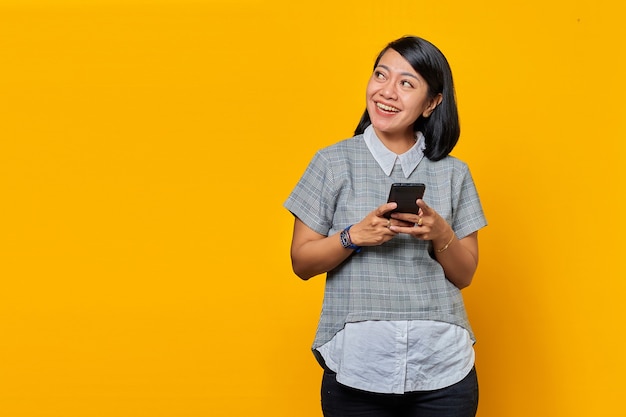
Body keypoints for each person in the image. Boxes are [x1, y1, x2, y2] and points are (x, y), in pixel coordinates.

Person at [284, 36, 487, 417]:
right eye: (381, 75)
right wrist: (352, 237)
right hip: (358, 368)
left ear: (432, 102)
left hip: (442, 367)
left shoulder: (454, 173)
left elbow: (465, 275)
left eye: (407, 83)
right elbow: (301, 262)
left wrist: (440, 234)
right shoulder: (332, 162)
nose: (387, 92)